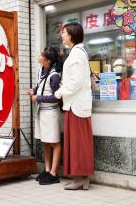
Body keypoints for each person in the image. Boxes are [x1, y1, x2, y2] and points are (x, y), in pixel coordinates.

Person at [54, 22, 94, 190]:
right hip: (75, 105)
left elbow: (75, 82)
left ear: (71, 35)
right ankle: (79, 178)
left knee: (79, 143)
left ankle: (81, 178)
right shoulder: (77, 52)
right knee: (76, 143)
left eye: (64, 32)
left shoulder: (77, 54)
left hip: (76, 106)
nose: (61, 35)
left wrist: (59, 92)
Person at [27, 46, 63, 185]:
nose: (39, 55)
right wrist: (34, 91)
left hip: (50, 112)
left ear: (47, 60)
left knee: (54, 142)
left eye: (42, 54)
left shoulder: (54, 76)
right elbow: (41, 86)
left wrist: (38, 97)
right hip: (42, 111)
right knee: (45, 141)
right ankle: (47, 170)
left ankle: (54, 173)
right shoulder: (43, 71)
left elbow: (56, 97)